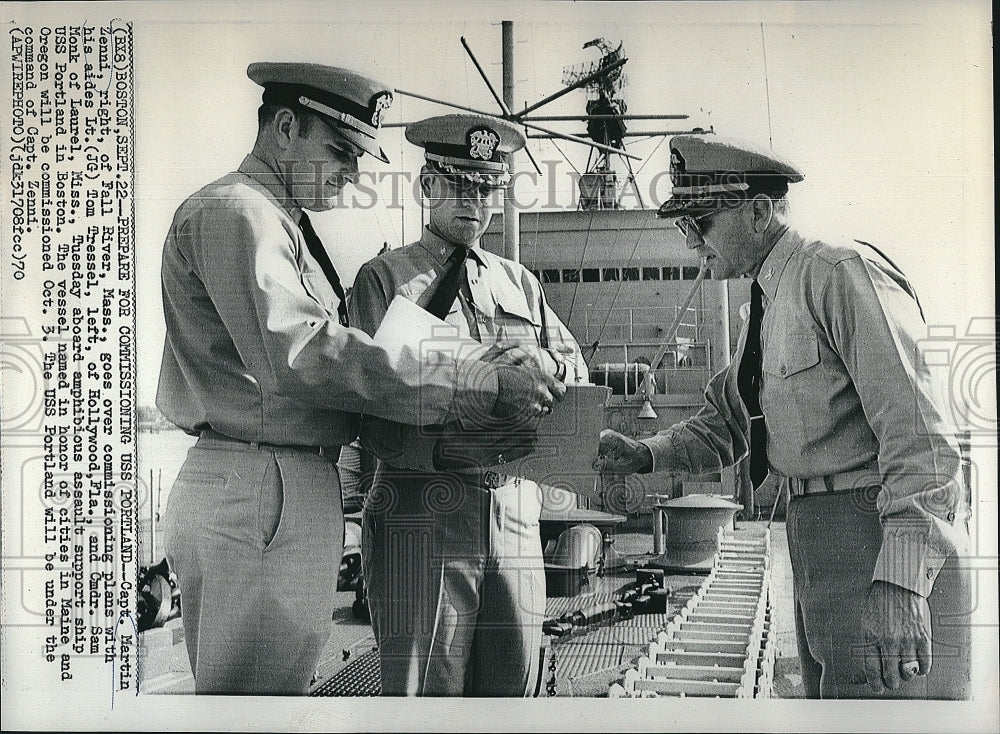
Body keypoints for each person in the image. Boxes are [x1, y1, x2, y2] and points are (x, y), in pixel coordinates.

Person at [157, 65, 562, 695]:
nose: (352, 175)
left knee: (279, 692)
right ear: (285, 127)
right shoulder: (242, 211)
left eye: (489, 189)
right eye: (341, 151)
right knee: (269, 699)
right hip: (276, 483)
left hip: (305, 483)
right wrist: (476, 377)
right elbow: (304, 352)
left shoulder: (281, 221)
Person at [596, 134, 971, 699]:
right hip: (817, 545)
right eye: (685, 227)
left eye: (701, 223)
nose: (693, 243)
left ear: (759, 210)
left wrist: (902, 582)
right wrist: (646, 452)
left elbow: (922, 439)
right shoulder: (764, 311)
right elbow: (729, 422)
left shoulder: (836, 274)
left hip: (876, 541)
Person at [349, 113, 588, 696]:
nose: (474, 202)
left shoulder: (520, 283)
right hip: (421, 510)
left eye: (487, 189)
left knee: (514, 696)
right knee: (423, 700)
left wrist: (545, 366)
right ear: (426, 186)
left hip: (513, 511)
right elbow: (374, 397)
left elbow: (576, 370)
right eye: (459, 185)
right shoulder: (385, 279)